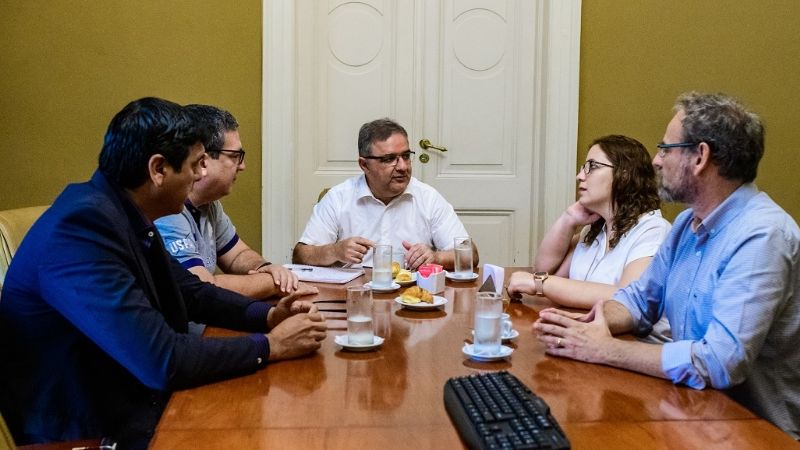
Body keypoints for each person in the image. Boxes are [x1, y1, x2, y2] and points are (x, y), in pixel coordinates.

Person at [0, 98, 327, 447]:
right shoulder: (82, 229)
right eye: (195, 165)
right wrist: (272, 346)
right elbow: (162, 358)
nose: (201, 175)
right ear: (158, 169)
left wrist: (269, 315)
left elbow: (190, 291)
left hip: (128, 400)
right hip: (87, 430)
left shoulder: (121, 210)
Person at [534, 92, 800, 439]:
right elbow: (639, 300)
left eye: (666, 149)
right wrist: (589, 324)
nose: (657, 161)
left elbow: (719, 363)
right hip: (691, 412)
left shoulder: (763, 236)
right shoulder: (687, 224)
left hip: (755, 432)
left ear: (700, 157)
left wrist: (607, 349)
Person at [507, 135, 671, 311]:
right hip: (582, 329)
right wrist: (568, 218)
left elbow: (627, 297)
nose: (580, 176)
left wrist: (539, 284)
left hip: (629, 338)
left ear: (624, 175)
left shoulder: (653, 230)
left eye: (591, 167)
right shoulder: (595, 230)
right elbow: (546, 271)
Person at [292, 118, 478, 270]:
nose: (403, 167)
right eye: (389, 159)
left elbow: (471, 254)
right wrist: (334, 251)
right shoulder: (338, 197)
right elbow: (300, 255)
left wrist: (436, 256)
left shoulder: (428, 197)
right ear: (364, 165)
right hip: (354, 298)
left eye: (405, 156)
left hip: (412, 299)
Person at [155, 104, 299, 298]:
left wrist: (267, 268)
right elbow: (202, 287)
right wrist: (272, 282)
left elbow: (237, 255)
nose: (243, 166)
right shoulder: (167, 211)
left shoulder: (209, 204)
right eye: (235, 156)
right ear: (202, 158)